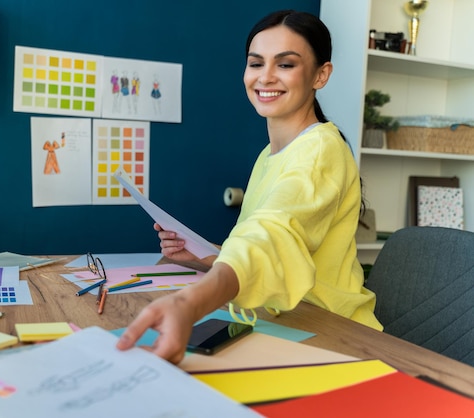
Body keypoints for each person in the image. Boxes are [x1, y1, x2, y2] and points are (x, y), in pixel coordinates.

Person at [116, 10, 383, 364]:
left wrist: (189, 302)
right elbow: (263, 247)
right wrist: (206, 254)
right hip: (285, 319)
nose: (266, 77)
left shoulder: (320, 149)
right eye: (256, 63)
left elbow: (273, 235)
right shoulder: (268, 156)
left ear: (321, 75)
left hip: (335, 332)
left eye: (286, 64)